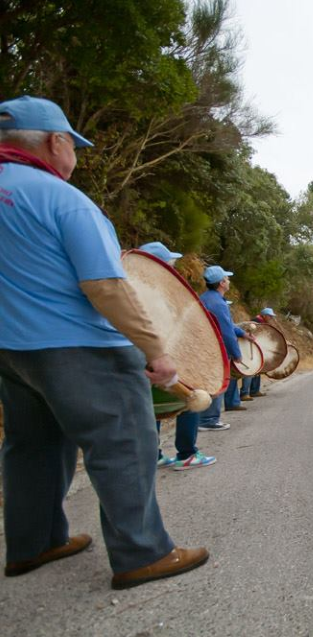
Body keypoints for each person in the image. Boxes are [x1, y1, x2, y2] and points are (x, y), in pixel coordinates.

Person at [0, 96, 208, 589]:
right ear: (56, 142)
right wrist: (156, 350)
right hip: (79, 347)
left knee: (31, 445)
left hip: (10, 352)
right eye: (73, 145)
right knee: (123, 443)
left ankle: (34, 543)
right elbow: (106, 285)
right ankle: (142, 553)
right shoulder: (62, 198)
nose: (74, 156)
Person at [138, 241, 215, 471]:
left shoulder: (132, 289)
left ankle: (155, 454)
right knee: (190, 398)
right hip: (165, 360)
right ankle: (187, 453)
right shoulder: (159, 294)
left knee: (152, 408)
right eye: (171, 264)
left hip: (145, 363)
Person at [197, 265, 250, 430]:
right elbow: (226, 331)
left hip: (204, 348)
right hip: (215, 350)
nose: (229, 281)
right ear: (221, 283)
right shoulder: (218, 304)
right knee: (217, 383)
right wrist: (236, 353)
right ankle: (209, 420)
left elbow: (229, 325)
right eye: (227, 279)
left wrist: (243, 333)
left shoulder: (206, 298)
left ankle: (204, 418)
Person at [240, 307, 276, 399]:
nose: (271, 318)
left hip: (256, 349)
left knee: (258, 370)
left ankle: (254, 390)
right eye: (270, 316)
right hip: (250, 349)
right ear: (264, 315)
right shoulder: (255, 322)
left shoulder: (261, 323)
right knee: (251, 371)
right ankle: (245, 393)